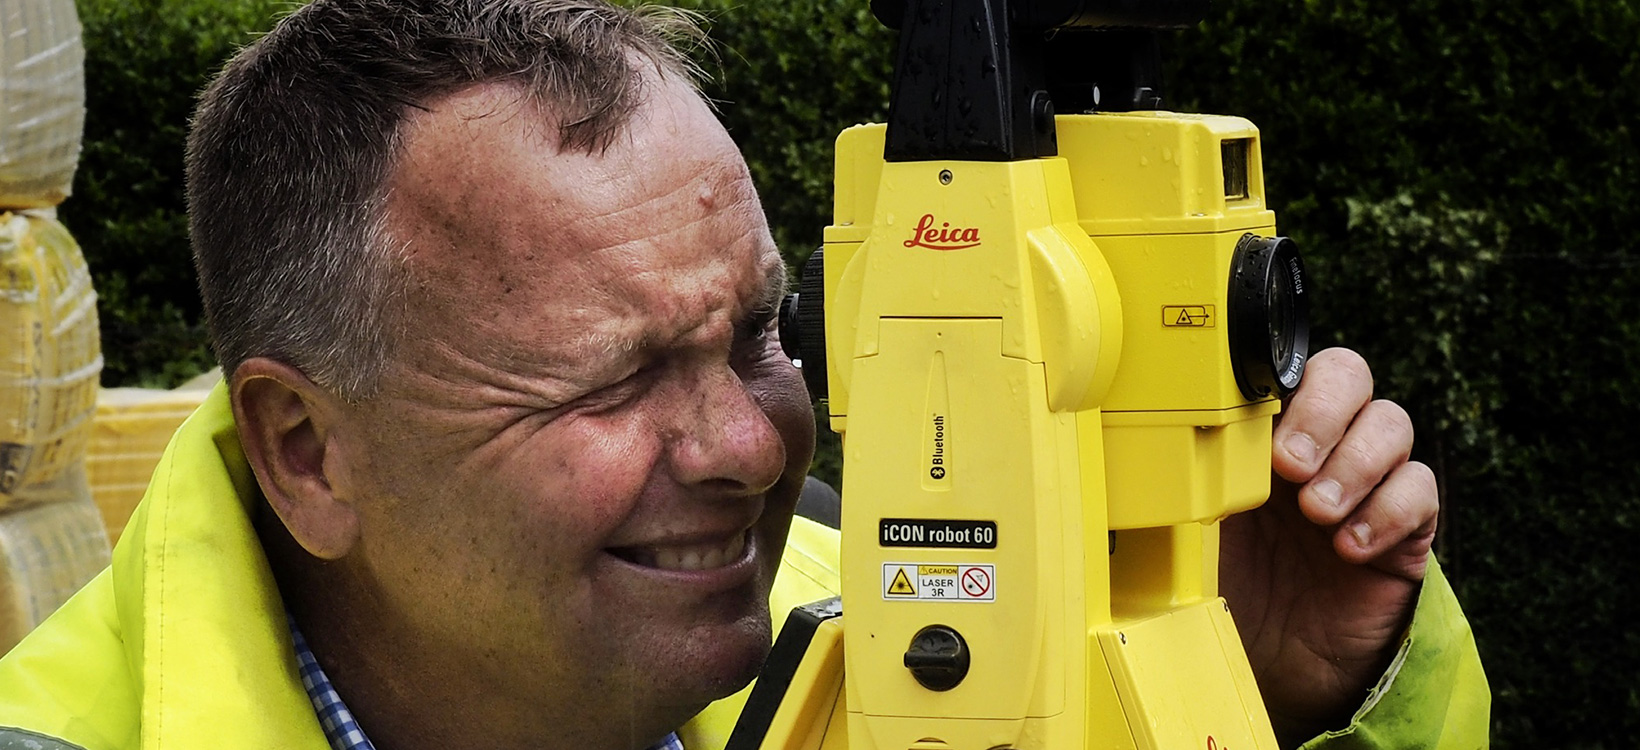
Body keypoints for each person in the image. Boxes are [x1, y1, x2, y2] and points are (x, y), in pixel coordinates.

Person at [0, 1, 1486, 748]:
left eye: (763, 335)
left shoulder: (887, 629)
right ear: (307, 450)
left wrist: (1288, 694)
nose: (753, 447)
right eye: (615, 379)